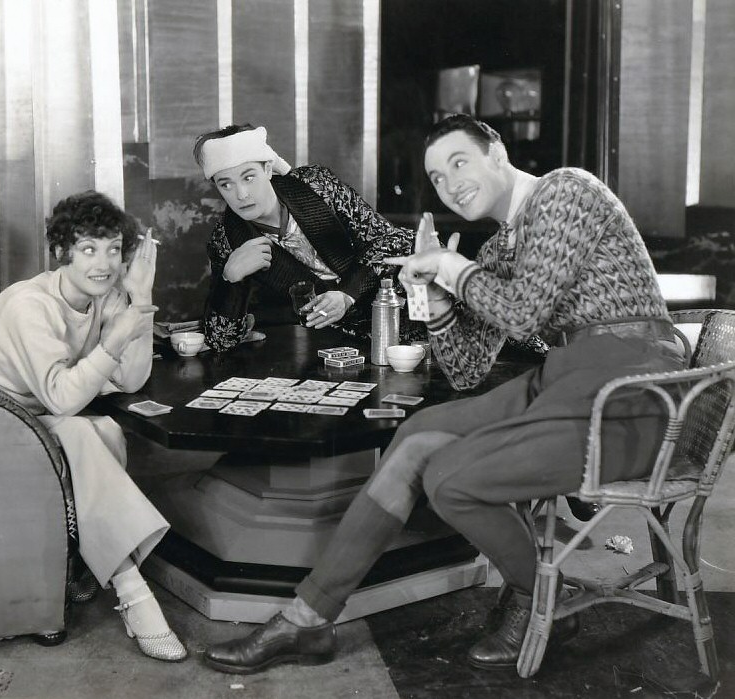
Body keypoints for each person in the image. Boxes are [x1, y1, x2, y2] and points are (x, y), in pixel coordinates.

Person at [203, 114, 682, 673]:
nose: (450, 184)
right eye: (436, 177)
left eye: (460, 163)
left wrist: (453, 270)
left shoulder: (566, 191)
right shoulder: (506, 244)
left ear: (497, 154)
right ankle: (308, 619)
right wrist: (435, 303)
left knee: (452, 482)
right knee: (416, 435)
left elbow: (523, 311)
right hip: (567, 377)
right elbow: (466, 367)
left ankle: (543, 600)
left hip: (634, 393)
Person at [0, 191, 186, 662]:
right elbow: (62, 396)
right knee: (84, 431)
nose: (103, 263)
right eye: (88, 249)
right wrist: (119, 335)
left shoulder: (106, 295)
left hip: (38, 413)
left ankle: (89, 559)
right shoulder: (29, 304)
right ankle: (134, 594)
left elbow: (132, 377)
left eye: (113, 249)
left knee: (107, 431)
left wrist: (140, 299)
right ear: (63, 252)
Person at [193, 124, 415, 351]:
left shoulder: (317, 186)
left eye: (248, 178)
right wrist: (230, 280)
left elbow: (395, 241)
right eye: (226, 184)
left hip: (405, 312)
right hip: (336, 348)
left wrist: (348, 294)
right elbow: (219, 340)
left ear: (268, 169)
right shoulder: (226, 240)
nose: (241, 195)